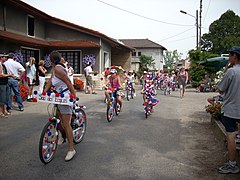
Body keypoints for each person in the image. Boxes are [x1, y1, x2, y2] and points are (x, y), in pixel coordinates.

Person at [44, 50, 77, 161]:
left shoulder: (58, 69)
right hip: (58, 97)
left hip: (65, 97)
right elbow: (50, 81)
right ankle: (63, 137)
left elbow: (68, 82)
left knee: (66, 124)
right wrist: (44, 92)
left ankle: (71, 149)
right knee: (59, 119)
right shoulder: (55, 69)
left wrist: (74, 95)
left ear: (51, 60)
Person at [217, 46, 240, 174]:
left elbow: (221, 88)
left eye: (230, 56)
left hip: (231, 109)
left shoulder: (231, 72)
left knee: (231, 136)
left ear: (235, 56)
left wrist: (227, 69)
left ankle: (232, 164)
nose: (229, 58)